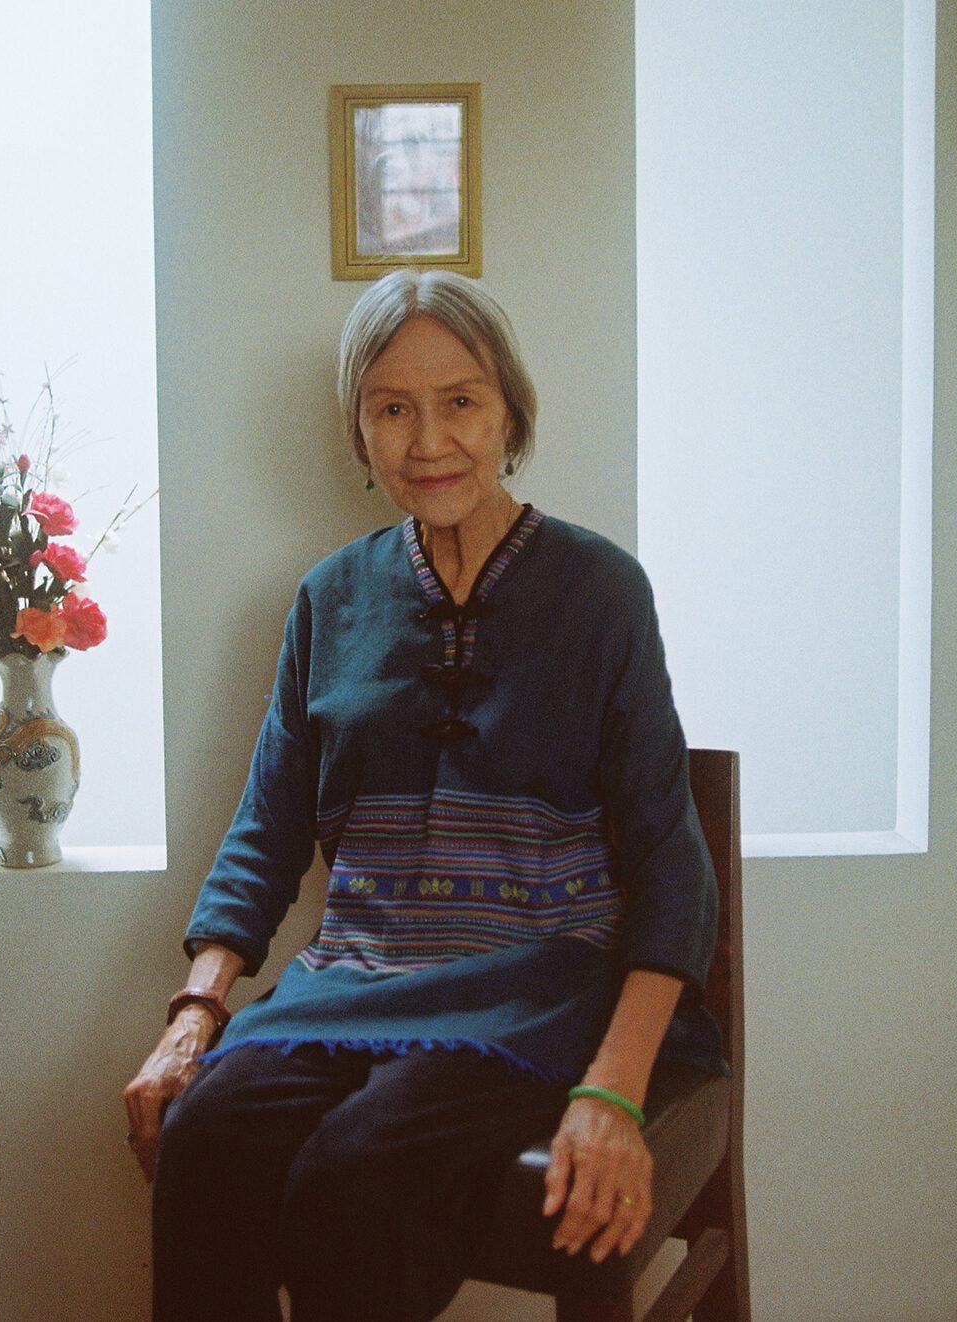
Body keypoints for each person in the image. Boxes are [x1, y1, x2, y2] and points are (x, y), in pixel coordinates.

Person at [124, 268, 722, 1322]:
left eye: (459, 401)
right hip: (353, 979)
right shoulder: (329, 597)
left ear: (509, 412)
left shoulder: (599, 591)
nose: (427, 438)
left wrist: (614, 1088)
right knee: (203, 1135)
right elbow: (267, 827)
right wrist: (194, 1008)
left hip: (537, 990)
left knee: (351, 1177)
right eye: (391, 407)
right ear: (358, 430)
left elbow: (670, 856)